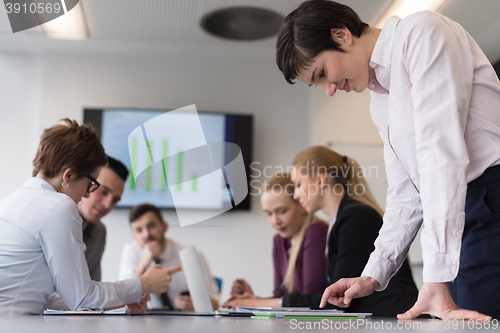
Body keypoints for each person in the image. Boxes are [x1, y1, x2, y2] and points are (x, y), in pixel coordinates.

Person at [276, 0, 500, 320]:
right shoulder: (380, 99)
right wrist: (372, 275)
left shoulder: (421, 33)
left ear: (341, 35)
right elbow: (406, 193)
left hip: (490, 196)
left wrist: (435, 277)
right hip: (466, 212)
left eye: (322, 73)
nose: (327, 90)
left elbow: (442, 155)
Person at [0, 119, 180, 316]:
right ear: (68, 176)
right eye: (91, 184)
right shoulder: (59, 206)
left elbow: (42, 296)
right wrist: (143, 284)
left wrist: (120, 302)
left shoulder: (11, 201)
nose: (86, 194)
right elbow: (83, 298)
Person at [227, 147, 420, 317]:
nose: (295, 194)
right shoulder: (341, 220)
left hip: (394, 320)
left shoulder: (356, 217)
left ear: (320, 180)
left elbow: (336, 298)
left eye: (298, 184)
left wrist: (258, 304)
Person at [224, 172, 329, 308]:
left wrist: (255, 303)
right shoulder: (279, 241)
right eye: (269, 213)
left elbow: (310, 299)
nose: (275, 221)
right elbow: (280, 296)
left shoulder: (316, 231)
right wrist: (254, 299)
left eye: (282, 211)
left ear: (301, 205)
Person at [118, 204, 219, 311]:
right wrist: (142, 265)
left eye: (151, 226)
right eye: (139, 230)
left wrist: (196, 305)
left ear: (165, 226)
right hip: (146, 321)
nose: (146, 234)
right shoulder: (131, 251)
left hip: (184, 321)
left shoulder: (192, 254)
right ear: (134, 236)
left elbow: (216, 302)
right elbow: (123, 299)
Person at [78, 155, 128, 281]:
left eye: (115, 200)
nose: (107, 204)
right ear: (86, 183)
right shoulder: (56, 221)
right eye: (103, 192)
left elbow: (93, 287)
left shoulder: (99, 231)